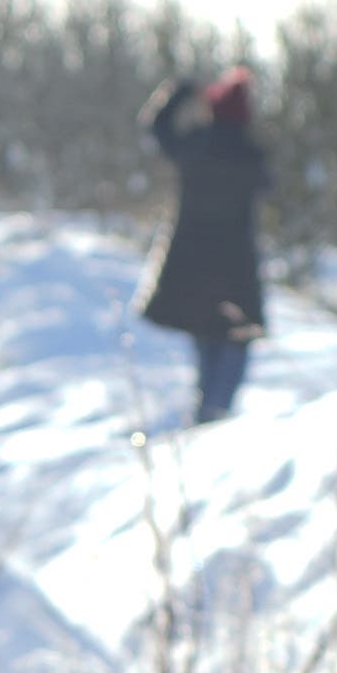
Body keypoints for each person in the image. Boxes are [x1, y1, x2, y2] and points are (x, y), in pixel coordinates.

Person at [141, 65, 267, 425]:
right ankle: (212, 422)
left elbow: (157, 126)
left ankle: (205, 420)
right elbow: (269, 186)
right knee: (233, 346)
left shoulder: (194, 146)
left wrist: (180, 90)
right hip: (235, 271)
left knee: (208, 343)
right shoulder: (251, 156)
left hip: (192, 266)